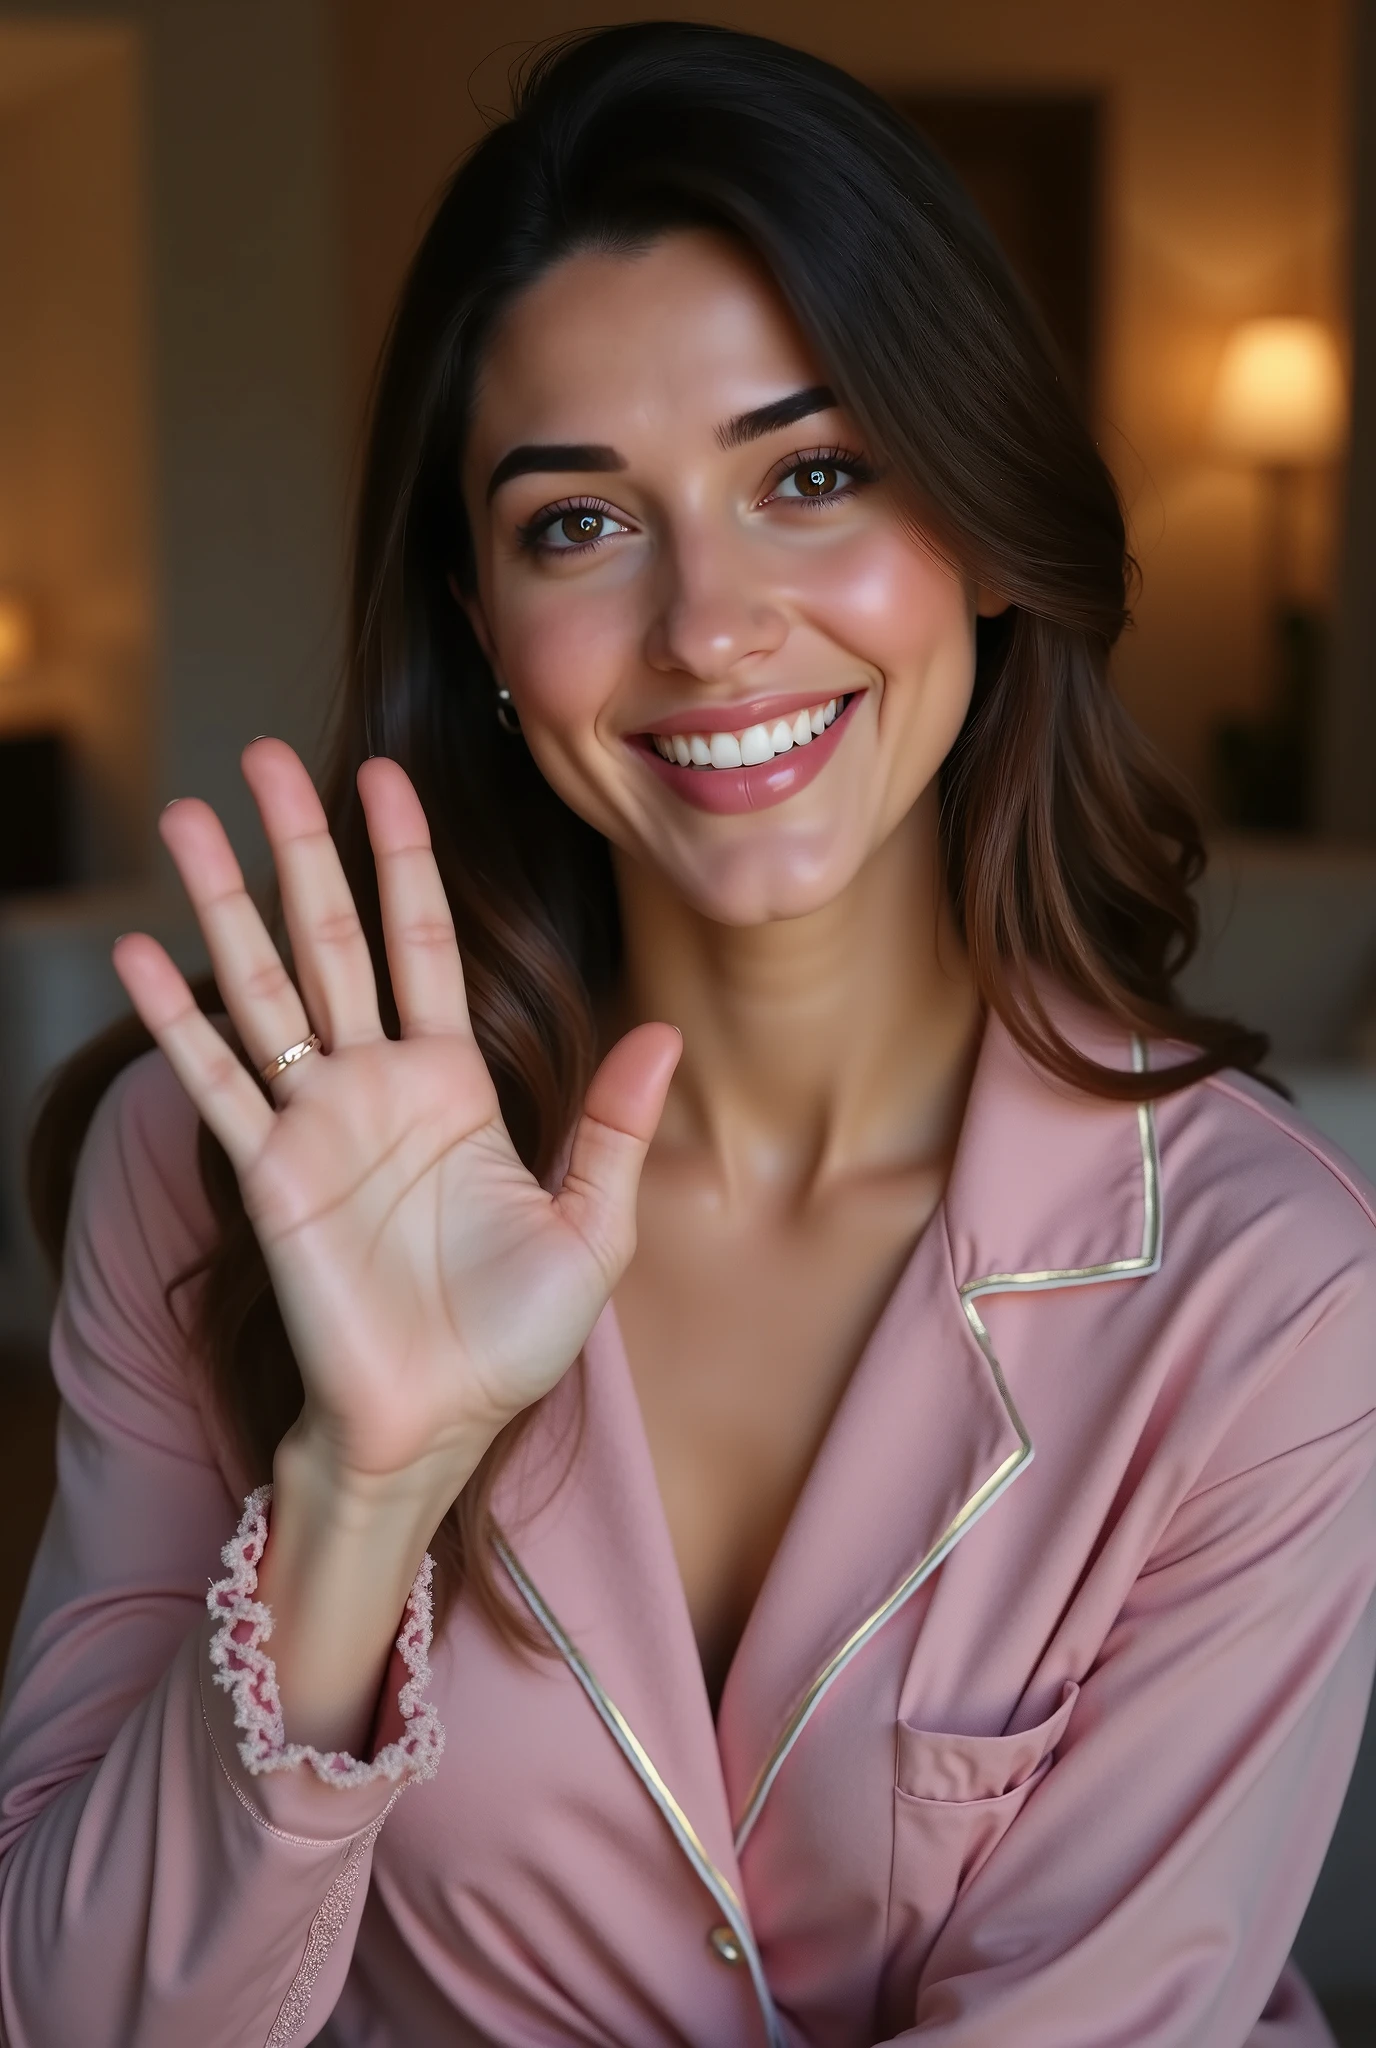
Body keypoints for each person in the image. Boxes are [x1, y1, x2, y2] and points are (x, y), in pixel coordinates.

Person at [1, 22, 1373, 2047]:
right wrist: (358, 1497)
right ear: (477, 612)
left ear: (984, 528)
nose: (710, 624)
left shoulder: (1261, 1286)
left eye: (813, 473)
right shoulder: (217, 1181)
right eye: (580, 520)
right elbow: (77, 2017)